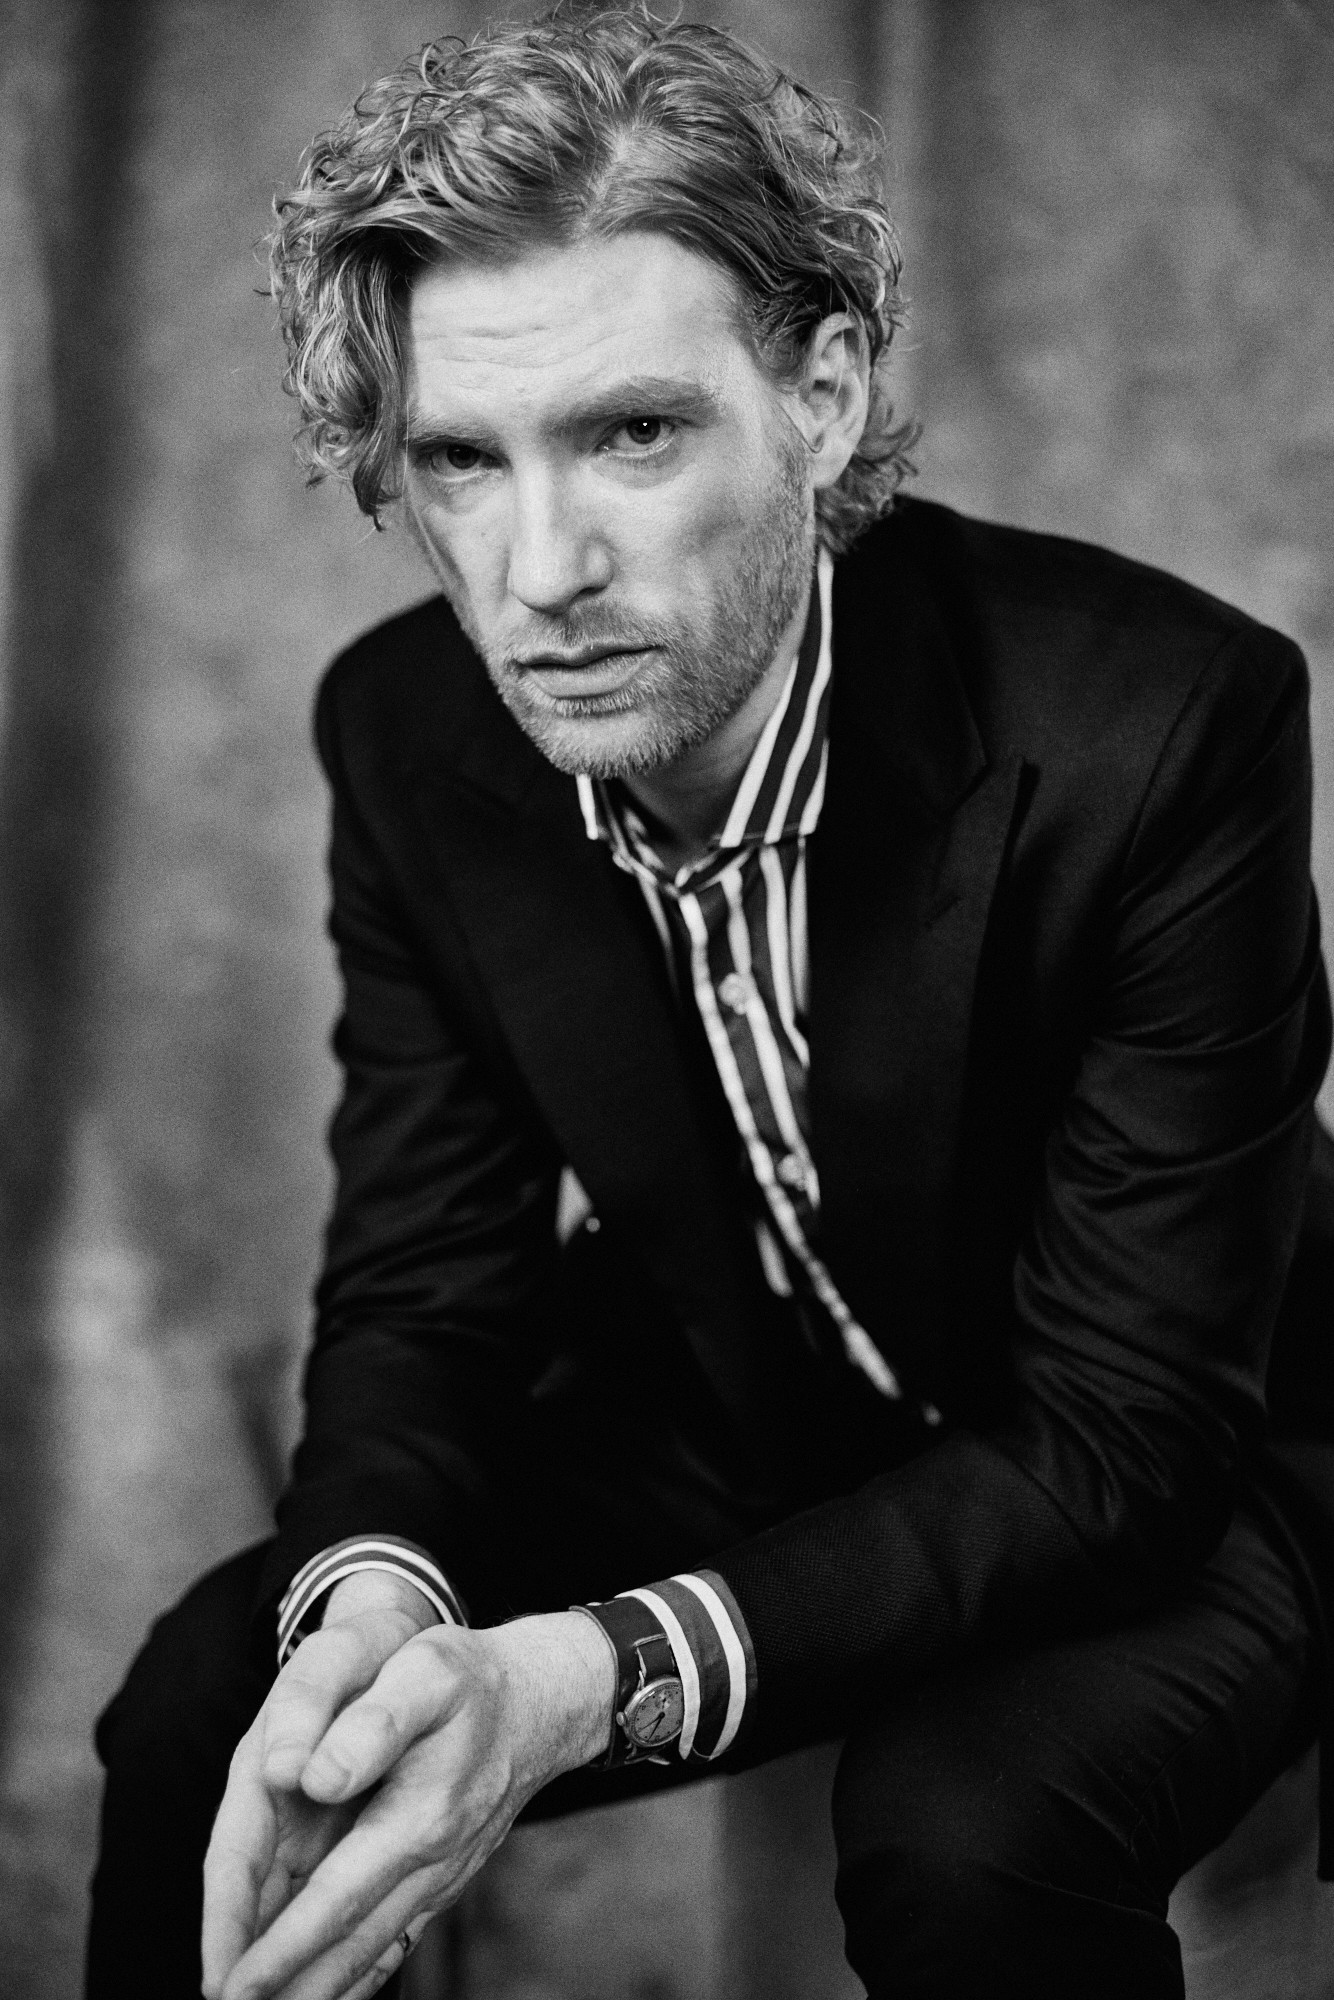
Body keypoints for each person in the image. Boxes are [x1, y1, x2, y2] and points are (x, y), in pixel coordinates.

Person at [87, 8, 1334, 1998]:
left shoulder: (1161, 721)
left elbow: (1122, 1436)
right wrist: (375, 1607)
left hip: (1187, 1442)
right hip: (760, 1393)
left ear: (821, 398)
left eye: (632, 434)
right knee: (220, 1711)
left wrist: (589, 1675)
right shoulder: (405, 739)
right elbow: (426, 1287)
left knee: (965, 1832)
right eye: (462, 461)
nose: (539, 572)